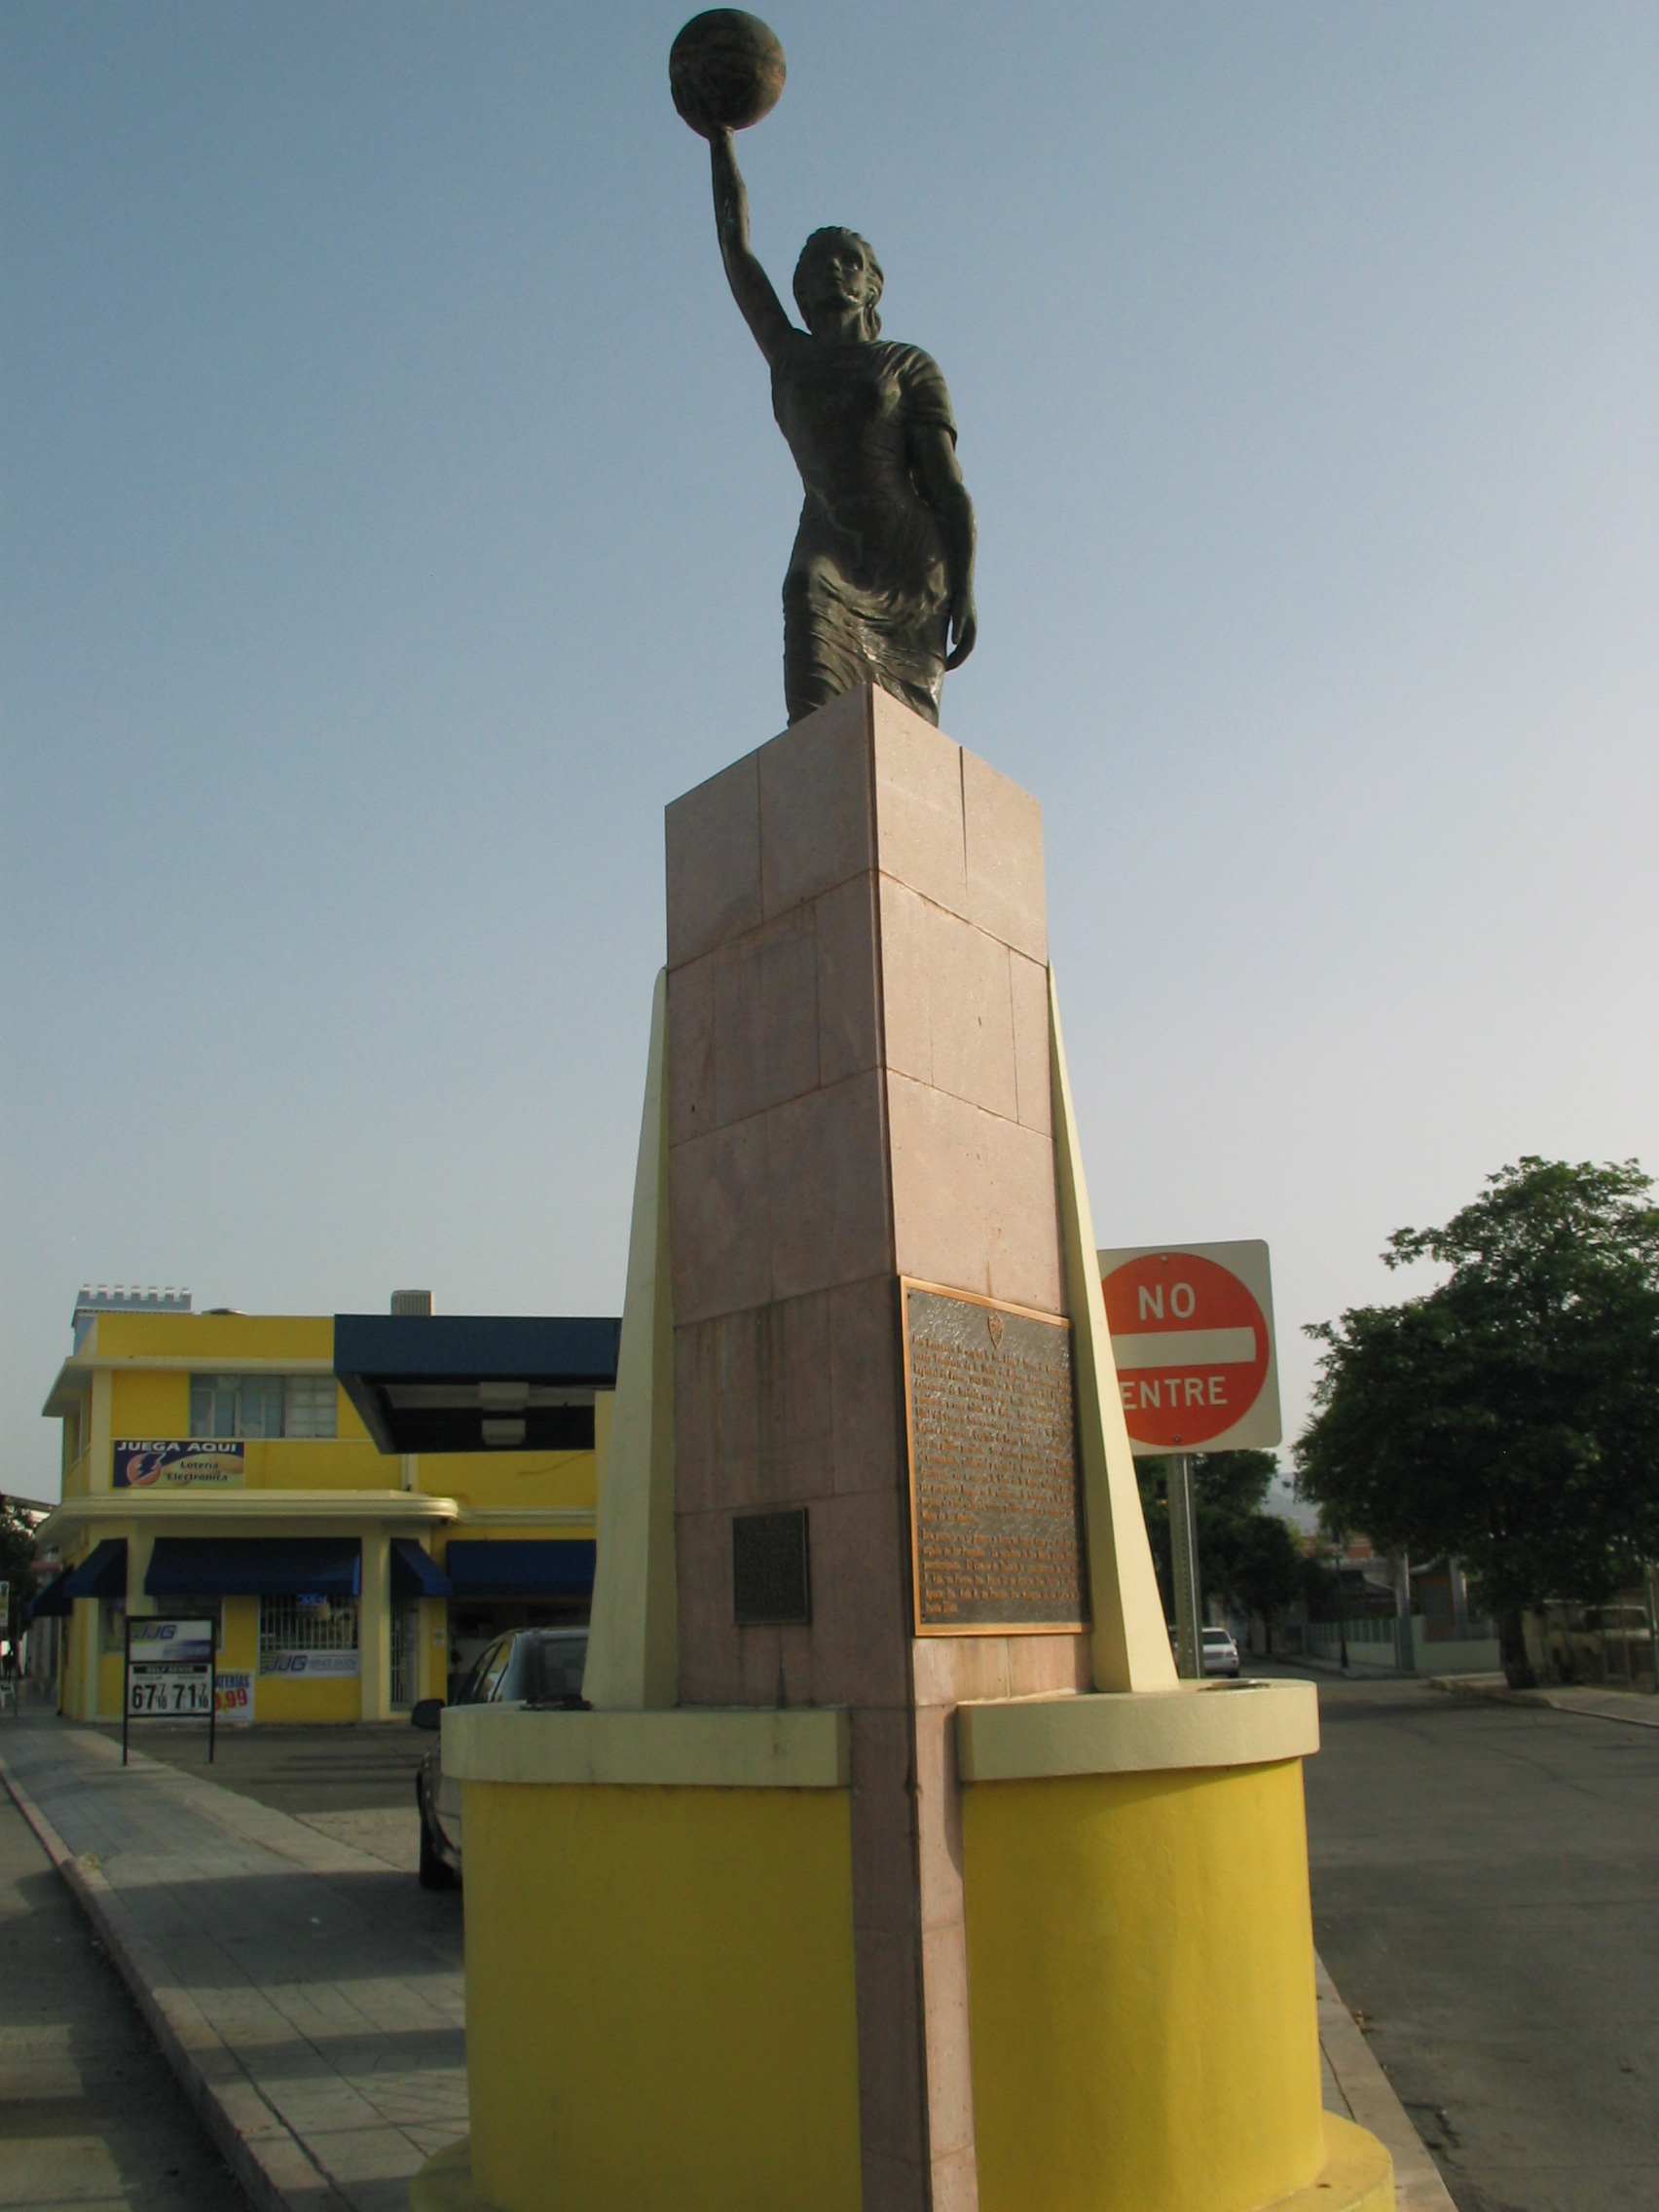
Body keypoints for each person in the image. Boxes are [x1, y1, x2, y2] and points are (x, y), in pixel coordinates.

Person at [708, 128, 977, 725]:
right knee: (806, 598)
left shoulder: (907, 364)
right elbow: (736, 252)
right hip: (829, 538)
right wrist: (719, 137)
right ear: (799, 288)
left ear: (872, 285)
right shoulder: (791, 357)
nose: (834, 270)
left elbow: (947, 484)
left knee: (903, 742)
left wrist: (965, 583)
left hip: (908, 561)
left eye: (849, 261)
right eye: (817, 263)